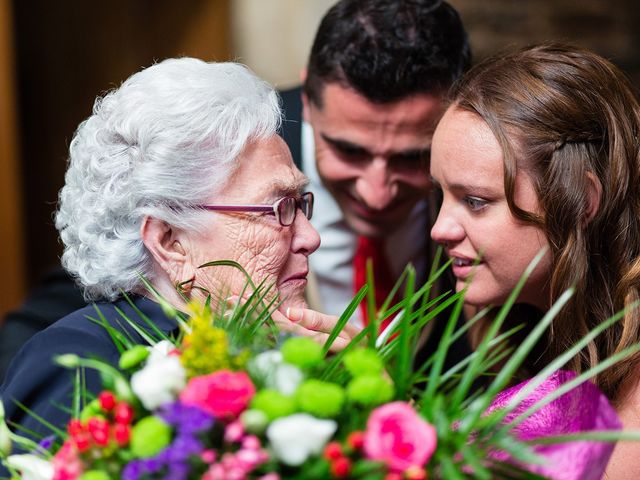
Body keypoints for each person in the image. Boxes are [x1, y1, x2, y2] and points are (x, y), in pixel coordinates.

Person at [0, 0, 472, 378]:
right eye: (349, 151)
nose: (377, 191)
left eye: (413, 157)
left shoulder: (476, 181)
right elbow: (112, 271)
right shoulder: (239, 143)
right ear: (307, 101)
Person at [0, 57, 356, 442]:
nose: (310, 237)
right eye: (279, 209)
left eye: (300, 204)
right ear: (171, 242)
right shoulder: (81, 364)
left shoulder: (273, 352)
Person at [428, 43, 640, 478]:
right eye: (441, 193)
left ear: (580, 201)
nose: (439, 228)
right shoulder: (507, 324)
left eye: (475, 201)